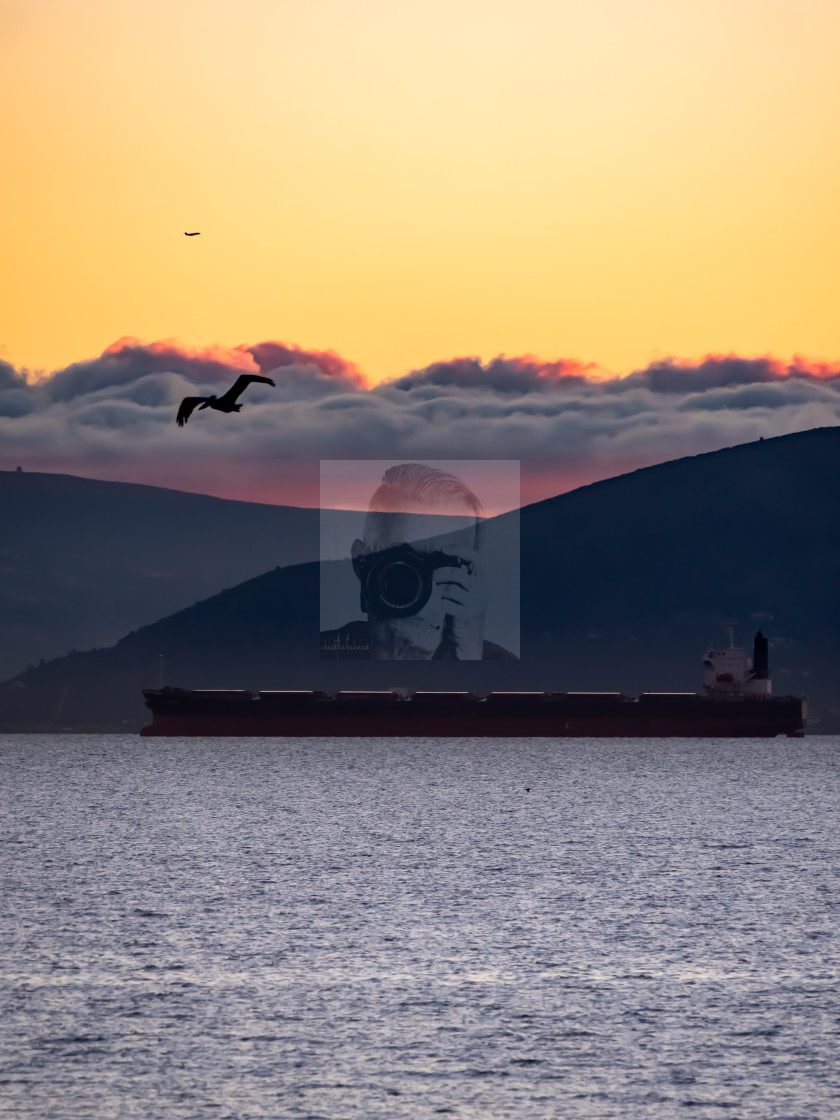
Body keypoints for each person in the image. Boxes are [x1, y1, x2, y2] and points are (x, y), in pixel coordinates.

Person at [320, 463, 517, 660]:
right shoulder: (306, 654)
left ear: (469, 572)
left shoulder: (507, 672)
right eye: (404, 558)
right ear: (362, 563)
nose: (421, 579)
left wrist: (468, 655)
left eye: (442, 562)